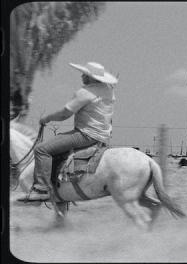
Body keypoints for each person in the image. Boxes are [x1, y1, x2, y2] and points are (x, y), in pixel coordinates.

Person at [17, 62, 117, 202]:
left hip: (85, 134)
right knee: (58, 145)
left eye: (86, 74)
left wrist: (47, 118)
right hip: (102, 136)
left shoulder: (85, 92)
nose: (82, 76)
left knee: (41, 149)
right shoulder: (108, 90)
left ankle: (41, 189)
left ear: (92, 78)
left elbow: (65, 114)